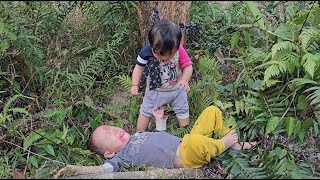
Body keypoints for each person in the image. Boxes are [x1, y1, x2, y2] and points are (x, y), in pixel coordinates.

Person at [53, 106, 257, 179]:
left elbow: (160, 137)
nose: (116, 131)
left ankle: (233, 144)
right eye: (110, 135)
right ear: (109, 153)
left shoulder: (137, 136)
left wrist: (159, 120)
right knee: (196, 141)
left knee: (211, 111)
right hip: (185, 156)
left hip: (183, 140)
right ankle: (225, 144)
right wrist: (74, 169)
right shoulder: (121, 159)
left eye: (113, 128)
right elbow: (102, 170)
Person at [131, 19, 193, 132]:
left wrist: (184, 80)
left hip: (177, 90)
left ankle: (185, 132)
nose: (165, 58)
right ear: (151, 45)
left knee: (183, 110)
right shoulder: (146, 52)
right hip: (155, 92)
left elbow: (188, 66)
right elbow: (138, 68)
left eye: (171, 54)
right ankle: (138, 135)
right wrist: (135, 84)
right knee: (145, 111)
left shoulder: (180, 49)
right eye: (160, 54)